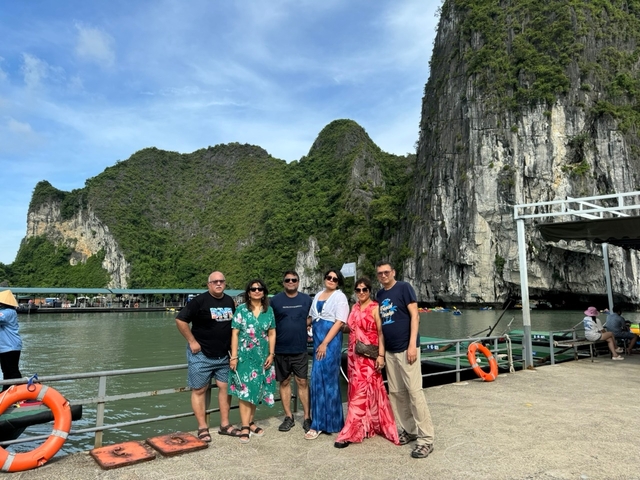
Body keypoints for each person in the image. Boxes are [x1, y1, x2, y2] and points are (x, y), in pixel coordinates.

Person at [375, 261, 434, 459]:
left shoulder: (404, 288)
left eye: (386, 272)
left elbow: (414, 316)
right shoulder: (380, 295)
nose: (383, 276)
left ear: (393, 272)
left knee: (415, 393)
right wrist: (382, 354)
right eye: (380, 274)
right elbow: (381, 327)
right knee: (397, 394)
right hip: (390, 352)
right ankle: (409, 430)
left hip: (406, 349)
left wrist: (412, 345)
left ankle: (426, 440)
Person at [334, 277, 399, 448]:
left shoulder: (375, 308)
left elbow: (381, 333)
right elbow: (350, 327)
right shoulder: (354, 307)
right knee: (358, 390)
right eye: (358, 290)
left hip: (369, 357)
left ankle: (350, 432)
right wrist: (336, 323)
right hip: (354, 356)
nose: (361, 293)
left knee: (360, 394)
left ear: (370, 291)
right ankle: (368, 425)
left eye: (365, 290)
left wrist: (381, 356)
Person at [175, 271, 238, 442]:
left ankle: (225, 424)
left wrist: (234, 352)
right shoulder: (199, 301)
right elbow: (180, 320)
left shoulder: (229, 301)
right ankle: (203, 427)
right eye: (215, 281)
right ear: (208, 284)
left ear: (225, 283)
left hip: (224, 356)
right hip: (201, 355)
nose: (218, 284)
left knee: (225, 388)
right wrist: (192, 341)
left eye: (221, 281)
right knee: (199, 389)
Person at [228, 279, 277, 444]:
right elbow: (234, 333)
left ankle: (250, 422)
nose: (257, 291)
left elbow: (271, 333)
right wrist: (234, 356)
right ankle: (244, 426)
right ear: (248, 292)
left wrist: (271, 353)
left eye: (260, 289)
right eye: (253, 289)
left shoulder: (268, 311)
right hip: (244, 357)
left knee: (256, 389)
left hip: (262, 357)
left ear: (264, 292)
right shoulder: (241, 310)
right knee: (244, 390)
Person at [304, 269, 349, 440]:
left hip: (330, 341)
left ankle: (325, 423)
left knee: (327, 380)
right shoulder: (317, 296)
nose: (331, 280)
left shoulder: (340, 297)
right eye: (328, 277)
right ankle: (325, 422)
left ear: (338, 282)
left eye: (335, 279)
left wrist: (324, 343)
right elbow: (312, 318)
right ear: (324, 279)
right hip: (317, 339)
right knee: (317, 380)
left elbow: (339, 322)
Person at [270, 270, 313, 433]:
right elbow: (269, 322)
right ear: (283, 282)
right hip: (281, 349)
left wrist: (305, 322)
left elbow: (313, 316)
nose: (290, 282)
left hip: (300, 349)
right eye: (287, 280)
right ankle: (289, 417)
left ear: (298, 281)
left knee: (302, 382)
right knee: (285, 382)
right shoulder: (275, 301)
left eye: (293, 280)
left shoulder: (306, 299)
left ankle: (307, 417)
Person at [0, 290, 22, 392]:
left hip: (10, 346)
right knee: (6, 372)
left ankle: (21, 392)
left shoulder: (8, 312)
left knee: (13, 371)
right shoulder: (6, 312)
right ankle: (6, 392)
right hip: (5, 347)